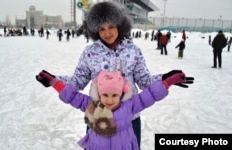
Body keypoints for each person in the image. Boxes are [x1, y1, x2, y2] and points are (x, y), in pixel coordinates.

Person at [36, 2, 192, 149]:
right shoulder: (90, 52)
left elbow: (145, 81)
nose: (107, 33)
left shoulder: (133, 51)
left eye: (111, 26)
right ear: (95, 30)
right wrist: (55, 81)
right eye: (101, 29)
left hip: (129, 118)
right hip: (98, 118)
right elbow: (78, 80)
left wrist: (165, 78)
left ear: (120, 25)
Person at [36, 70, 194, 150]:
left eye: (114, 95)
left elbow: (150, 95)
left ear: (122, 94)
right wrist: (54, 82)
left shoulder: (130, 105)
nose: (110, 99)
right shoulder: (91, 105)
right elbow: (71, 96)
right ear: (98, 93)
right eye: (105, 95)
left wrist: (167, 82)